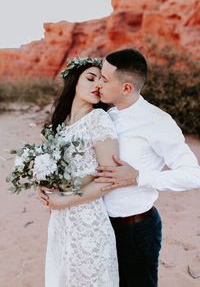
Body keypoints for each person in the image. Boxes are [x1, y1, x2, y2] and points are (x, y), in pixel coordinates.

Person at [40, 49, 200, 287]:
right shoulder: (104, 114)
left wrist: (139, 177)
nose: (99, 84)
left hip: (135, 230)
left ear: (126, 88)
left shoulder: (157, 122)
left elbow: (193, 175)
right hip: (97, 226)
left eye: (105, 79)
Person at [40, 57, 120, 287]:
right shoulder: (60, 126)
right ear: (74, 81)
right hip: (60, 222)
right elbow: (50, 169)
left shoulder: (98, 119)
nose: (97, 85)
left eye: (102, 81)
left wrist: (66, 201)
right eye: (91, 78)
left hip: (88, 219)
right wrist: (42, 186)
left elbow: (109, 179)